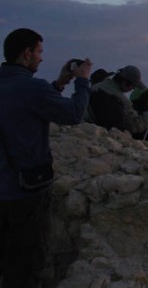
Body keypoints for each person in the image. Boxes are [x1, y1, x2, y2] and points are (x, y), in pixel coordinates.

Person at [0, 28, 93, 287]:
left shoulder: (14, 85)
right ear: (27, 53)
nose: (41, 58)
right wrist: (82, 81)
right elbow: (73, 114)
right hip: (24, 193)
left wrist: (60, 83)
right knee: (24, 266)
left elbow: (25, 106)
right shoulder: (32, 88)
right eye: (39, 52)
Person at [86, 65, 148, 136]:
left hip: (85, 128)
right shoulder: (122, 101)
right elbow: (135, 125)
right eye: (133, 86)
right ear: (125, 83)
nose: (132, 89)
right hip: (103, 136)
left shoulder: (95, 87)